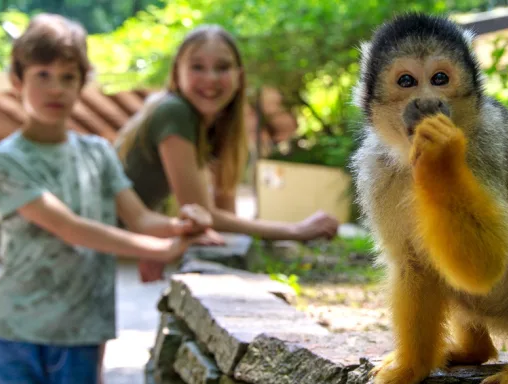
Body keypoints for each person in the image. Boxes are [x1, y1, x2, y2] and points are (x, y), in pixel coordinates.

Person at [0, 13, 212, 384]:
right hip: (17, 331)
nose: (56, 88)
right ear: (17, 81)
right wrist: (157, 250)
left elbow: (141, 217)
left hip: (83, 331)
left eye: (69, 77)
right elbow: (69, 228)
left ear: (82, 83)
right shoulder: (5, 158)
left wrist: (184, 225)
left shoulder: (98, 153)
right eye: (43, 75)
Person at [114, 24, 340, 283]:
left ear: (239, 76)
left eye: (222, 67)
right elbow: (201, 211)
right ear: (178, 72)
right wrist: (295, 230)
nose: (210, 78)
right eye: (197, 67)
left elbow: (223, 206)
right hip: (96, 238)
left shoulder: (214, 125)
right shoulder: (174, 111)